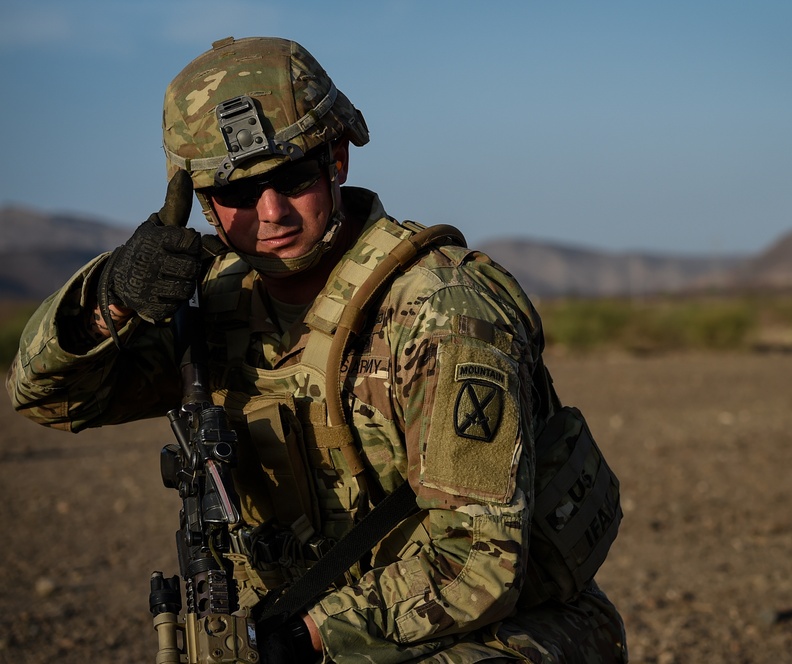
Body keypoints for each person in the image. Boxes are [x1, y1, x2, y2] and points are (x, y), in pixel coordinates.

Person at [6, 36, 626, 663]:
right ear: (201, 201)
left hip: (491, 632)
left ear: (336, 160)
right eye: (239, 194)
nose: (271, 212)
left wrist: (298, 639)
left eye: (292, 177)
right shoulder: (212, 304)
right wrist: (113, 298)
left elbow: (478, 565)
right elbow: (49, 398)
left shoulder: (440, 309)